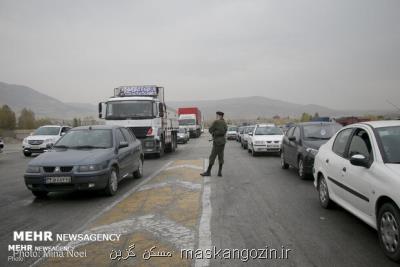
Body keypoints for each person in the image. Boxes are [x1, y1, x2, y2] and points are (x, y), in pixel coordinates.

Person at [201, 111, 227, 177]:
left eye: (217, 115)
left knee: (212, 156)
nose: (216, 116)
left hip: (217, 142)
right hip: (223, 142)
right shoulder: (224, 122)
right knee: (221, 156)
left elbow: (210, 130)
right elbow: (225, 130)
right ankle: (219, 172)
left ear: (219, 116)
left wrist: (214, 133)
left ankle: (208, 172)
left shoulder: (216, 122)